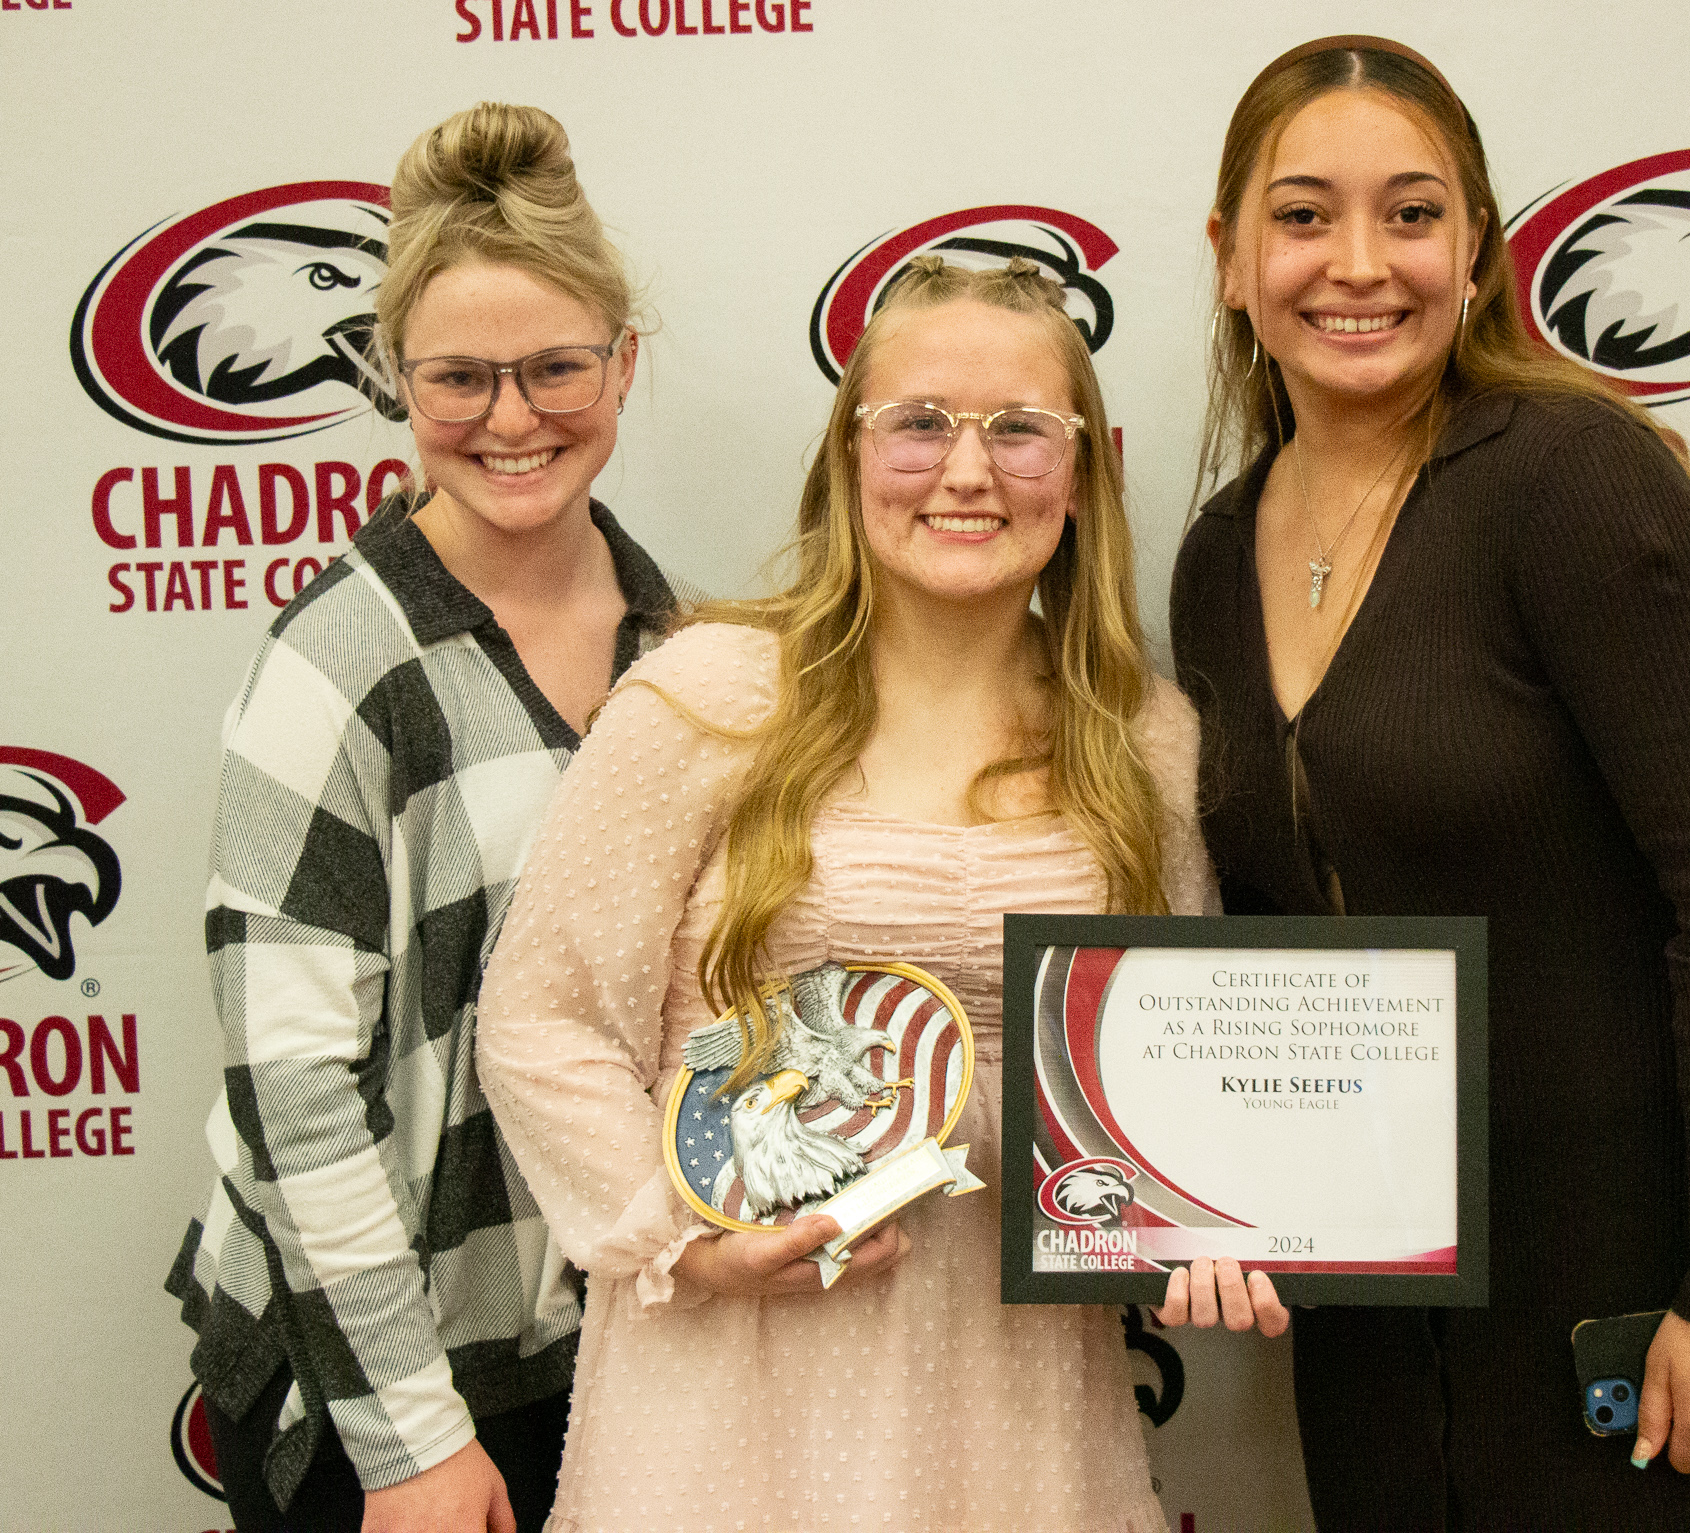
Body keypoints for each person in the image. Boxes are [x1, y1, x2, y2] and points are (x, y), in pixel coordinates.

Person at [1164, 36, 1690, 1531]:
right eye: (1302, 215)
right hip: (1376, 1324)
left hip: (1642, 1318)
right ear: (1228, 257)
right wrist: (1206, 1190)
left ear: (1477, 247)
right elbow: (1275, 948)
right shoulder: (1219, 551)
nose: (1361, 263)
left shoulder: (1572, 476)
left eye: (1412, 213)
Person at [475, 256, 1209, 1533]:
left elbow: (1183, 1072)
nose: (967, 473)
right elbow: (539, 1021)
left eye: (1020, 430)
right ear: (847, 458)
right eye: (919, 423)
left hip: (1016, 1389)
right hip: (730, 1377)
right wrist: (687, 1240)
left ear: (1081, 472)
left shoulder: (1145, 739)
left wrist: (1227, 1227)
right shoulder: (706, 695)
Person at [165, 103, 676, 1533]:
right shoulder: (342, 660)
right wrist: (407, 1441)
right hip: (385, 1368)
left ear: (622, 365)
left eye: (557, 368)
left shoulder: (675, 641)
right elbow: (293, 1085)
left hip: (598, 1344)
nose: (513, 420)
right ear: (397, 382)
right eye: (462, 379)